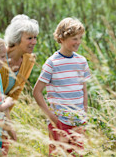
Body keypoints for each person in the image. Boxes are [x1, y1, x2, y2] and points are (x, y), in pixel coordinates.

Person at [33, 17, 91, 156]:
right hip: (60, 121)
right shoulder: (52, 63)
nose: (78, 42)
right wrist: (52, 117)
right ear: (62, 39)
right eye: (74, 39)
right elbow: (37, 92)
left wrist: (85, 113)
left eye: (79, 38)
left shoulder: (81, 61)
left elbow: (83, 90)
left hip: (78, 121)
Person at [0, 14, 39, 153]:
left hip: (2, 112)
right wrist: (8, 125)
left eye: (35, 38)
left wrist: (5, 119)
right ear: (16, 39)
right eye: (29, 38)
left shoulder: (29, 60)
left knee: (4, 149)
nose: (34, 42)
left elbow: (16, 91)